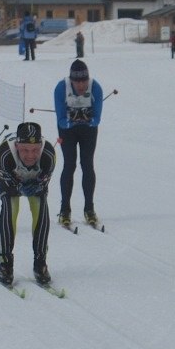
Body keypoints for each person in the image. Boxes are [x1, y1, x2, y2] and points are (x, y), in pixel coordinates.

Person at [0, 122, 57, 286]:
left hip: (33, 179)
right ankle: (5, 264)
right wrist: (20, 186)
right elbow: (10, 185)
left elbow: (44, 182)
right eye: (25, 150)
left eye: (35, 150)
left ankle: (40, 262)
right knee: (10, 206)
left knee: (41, 206)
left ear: (40, 146)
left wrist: (38, 185)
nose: (30, 155)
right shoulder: (5, 154)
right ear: (17, 145)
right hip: (6, 174)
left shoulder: (48, 154)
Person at [53, 59, 104, 227]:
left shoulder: (96, 88)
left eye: (84, 81)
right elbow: (61, 121)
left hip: (88, 130)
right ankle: (65, 210)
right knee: (69, 165)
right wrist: (75, 120)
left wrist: (86, 119)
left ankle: (89, 209)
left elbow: (97, 119)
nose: (81, 85)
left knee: (87, 164)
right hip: (68, 131)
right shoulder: (61, 88)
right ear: (71, 80)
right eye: (77, 82)